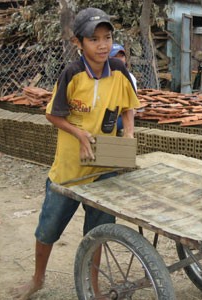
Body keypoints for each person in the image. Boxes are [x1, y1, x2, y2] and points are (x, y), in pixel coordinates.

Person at [12, 7, 140, 299]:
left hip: (104, 168)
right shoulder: (71, 74)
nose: (103, 45)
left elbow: (129, 105)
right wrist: (80, 133)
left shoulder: (119, 70)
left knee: (97, 234)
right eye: (94, 39)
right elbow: (53, 115)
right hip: (69, 171)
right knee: (47, 230)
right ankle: (38, 278)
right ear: (78, 43)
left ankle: (92, 288)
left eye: (107, 37)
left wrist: (129, 133)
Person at [109, 43, 137, 134]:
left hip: (119, 116)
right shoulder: (101, 76)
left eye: (121, 56)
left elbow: (132, 107)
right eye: (115, 56)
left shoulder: (130, 78)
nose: (119, 59)